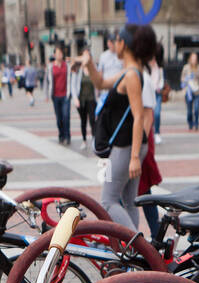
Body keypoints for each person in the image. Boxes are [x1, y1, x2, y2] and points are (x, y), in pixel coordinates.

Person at [79, 23, 156, 228]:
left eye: (117, 40)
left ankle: (137, 248)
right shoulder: (129, 71)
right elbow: (101, 83)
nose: (114, 44)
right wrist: (89, 64)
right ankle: (134, 254)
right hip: (130, 147)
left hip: (126, 148)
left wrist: (133, 158)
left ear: (124, 44)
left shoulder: (131, 75)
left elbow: (139, 116)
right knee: (129, 201)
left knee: (108, 200)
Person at [71, 58, 94, 148]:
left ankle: (94, 140)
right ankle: (84, 140)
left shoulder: (93, 69)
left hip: (92, 99)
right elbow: (73, 85)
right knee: (83, 121)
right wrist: (75, 99)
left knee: (93, 121)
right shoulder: (77, 71)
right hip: (82, 100)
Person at [50, 46, 71, 145]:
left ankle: (67, 136)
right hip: (55, 96)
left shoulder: (67, 66)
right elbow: (48, 81)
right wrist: (48, 94)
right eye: (58, 53)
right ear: (54, 55)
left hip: (65, 95)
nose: (60, 55)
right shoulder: (51, 67)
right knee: (59, 118)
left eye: (61, 53)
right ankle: (61, 135)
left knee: (66, 116)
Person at [181, 52, 199, 130]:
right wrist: (186, 80)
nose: (194, 60)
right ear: (190, 59)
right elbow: (182, 79)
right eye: (193, 59)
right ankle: (190, 122)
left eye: (195, 59)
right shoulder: (186, 68)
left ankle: (196, 123)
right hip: (189, 92)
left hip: (197, 91)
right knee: (189, 111)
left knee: (197, 108)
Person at [149, 52, 165, 143]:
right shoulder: (147, 69)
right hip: (150, 93)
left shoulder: (159, 68)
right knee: (149, 115)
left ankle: (157, 132)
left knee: (157, 113)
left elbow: (162, 79)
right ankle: (151, 132)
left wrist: (160, 86)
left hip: (157, 93)